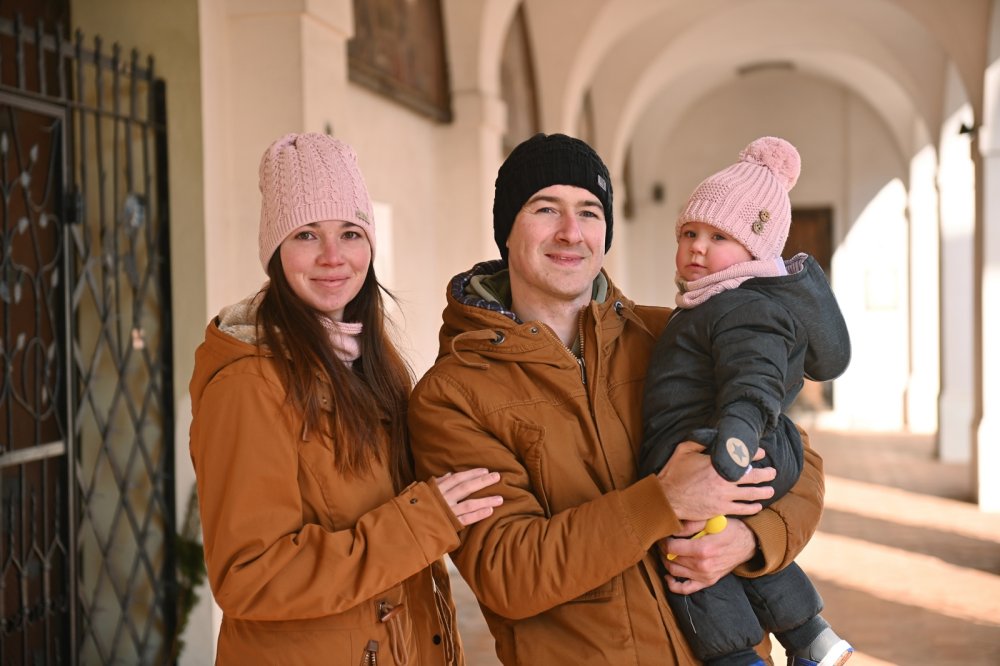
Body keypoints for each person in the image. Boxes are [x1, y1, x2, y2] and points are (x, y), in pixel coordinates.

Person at [408, 132, 826, 664]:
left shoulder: (670, 337)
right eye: (545, 208)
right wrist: (664, 501)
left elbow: (800, 463)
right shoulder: (453, 395)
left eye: (589, 211)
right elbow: (507, 571)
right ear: (507, 231)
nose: (570, 232)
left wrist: (752, 537)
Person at [188, 132, 503, 665]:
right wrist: (421, 522)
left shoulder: (370, 361)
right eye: (307, 234)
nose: (333, 257)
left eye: (350, 233)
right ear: (275, 251)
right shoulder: (248, 383)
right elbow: (249, 576)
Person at [638, 137, 853, 666]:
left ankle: (737, 658)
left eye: (719, 236)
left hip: (731, 447)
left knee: (687, 558)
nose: (697, 247)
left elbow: (752, 379)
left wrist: (732, 441)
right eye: (689, 233)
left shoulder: (740, 307)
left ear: (756, 252)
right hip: (741, 444)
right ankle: (812, 638)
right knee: (724, 545)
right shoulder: (713, 305)